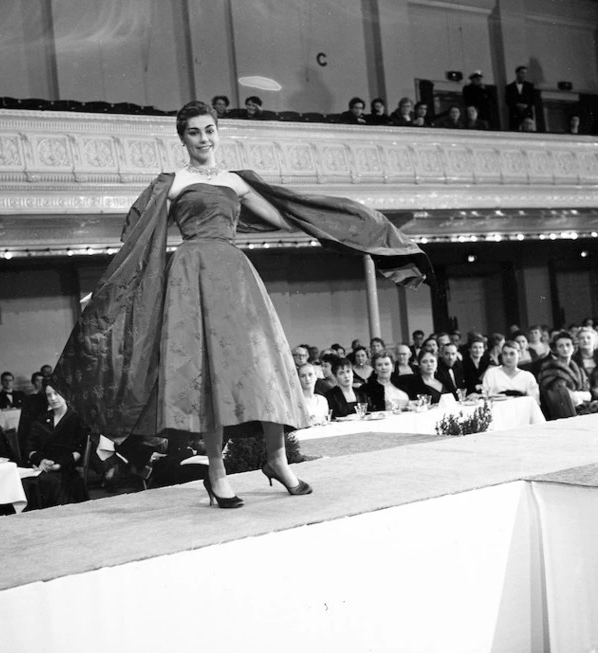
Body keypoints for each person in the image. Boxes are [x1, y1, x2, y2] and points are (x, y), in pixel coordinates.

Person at [51, 100, 430, 508]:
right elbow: (143, 240)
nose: (203, 138)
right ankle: (216, 473)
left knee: (262, 367)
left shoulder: (236, 181)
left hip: (234, 273)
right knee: (208, 375)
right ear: (183, 138)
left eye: (209, 130)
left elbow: (282, 219)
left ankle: (277, 460)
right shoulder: (173, 182)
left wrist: (321, 220)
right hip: (191, 275)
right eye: (194, 132)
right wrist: (112, 288)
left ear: (218, 132)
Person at [23, 384, 88, 510]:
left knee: (50, 482)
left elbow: (79, 450)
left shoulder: (77, 418)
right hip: (43, 466)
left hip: (66, 468)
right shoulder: (41, 419)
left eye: (56, 393)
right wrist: (40, 461)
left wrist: (59, 465)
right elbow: (30, 447)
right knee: (28, 482)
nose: (53, 398)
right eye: (49, 395)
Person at [538, 331, 594, 419]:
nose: (565, 349)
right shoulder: (550, 369)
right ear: (555, 349)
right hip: (561, 414)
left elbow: (589, 395)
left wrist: (577, 395)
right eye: (561, 346)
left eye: (568, 345)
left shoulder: (579, 369)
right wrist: (580, 396)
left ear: (573, 347)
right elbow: (562, 395)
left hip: (583, 413)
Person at [505, 66, 536, 131]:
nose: (524, 75)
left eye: (525, 73)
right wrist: (517, 105)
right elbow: (507, 101)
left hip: (526, 114)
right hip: (515, 114)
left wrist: (526, 105)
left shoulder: (530, 86)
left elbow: (533, 99)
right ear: (517, 73)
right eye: (522, 73)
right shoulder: (509, 87)